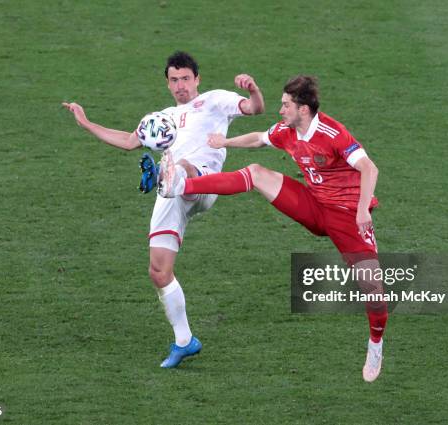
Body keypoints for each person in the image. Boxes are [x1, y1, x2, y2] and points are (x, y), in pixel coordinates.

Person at [158, 75, 388, 382]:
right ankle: (181, 184)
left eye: (285, 105)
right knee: (255, 172)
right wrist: (225, 142)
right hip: (313, 206)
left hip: (347, 217)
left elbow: (369, 168)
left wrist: (362, 212)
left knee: (374, 290)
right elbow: (257, 138)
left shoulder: (333, 133)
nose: (280, 110)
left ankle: (375, 345)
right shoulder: (287, 131)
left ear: (303, 109)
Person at [62, 51, 265, 368]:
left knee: (180, 165)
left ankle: (163, 174)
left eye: (186, 78)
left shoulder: (214, 101)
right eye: (175, 80)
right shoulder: (162, 117)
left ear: (197, 79)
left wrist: (252, 88)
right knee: (158, 271)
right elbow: (130, 141)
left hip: (203, 182)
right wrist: (87, 124)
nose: (181, 85)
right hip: (171, 195)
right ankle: (185, 341)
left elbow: (255, 109)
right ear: (168, 83)